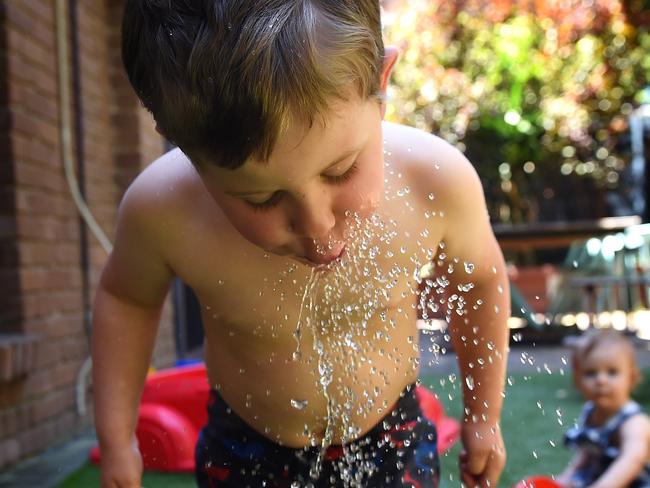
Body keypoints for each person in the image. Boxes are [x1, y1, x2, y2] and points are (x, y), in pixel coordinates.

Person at [93, 1, 510, 487]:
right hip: (245, 444)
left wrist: (484, 414)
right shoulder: (162, 209)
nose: (316, 225)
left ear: (380, 82)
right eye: (262, 198)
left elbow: (479, 281)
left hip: (388, 439)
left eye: (341, 171)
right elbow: (127, 299)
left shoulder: (433, 182)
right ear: (185, 145)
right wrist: (117, 436)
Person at [556, 329, 650, 488]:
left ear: (631, 378)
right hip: (598, 478)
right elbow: (586, 451)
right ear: (578, 381)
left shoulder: (635, 422)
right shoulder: (591, 411)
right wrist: (566, 477)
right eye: (591, 373)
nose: (601, 381)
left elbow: (632, 459)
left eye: (612, 372)